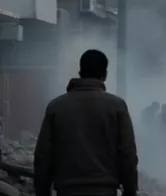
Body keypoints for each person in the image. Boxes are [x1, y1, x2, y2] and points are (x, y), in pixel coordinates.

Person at [33, 49, 139, 196]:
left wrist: (42, 191)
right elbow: (128, 154)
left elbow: (43, 155)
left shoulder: (56, 106)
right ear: (105, 75)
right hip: (105, 190)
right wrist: (130, 190)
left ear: (80, 72)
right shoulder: (117, 106)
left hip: (67, 190)